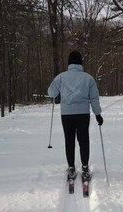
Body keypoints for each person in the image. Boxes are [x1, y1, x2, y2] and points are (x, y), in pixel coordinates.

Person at [48, 50, 103, 182]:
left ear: (69, 63)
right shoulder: (88, 78)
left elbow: (51, 93)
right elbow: (94, 98)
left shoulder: (61, 77)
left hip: (66, 115)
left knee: (69, 140)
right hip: (83, 114)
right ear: (80, 63)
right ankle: (84, 168)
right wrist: (98, 114)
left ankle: (71, 168)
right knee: (84, 141)